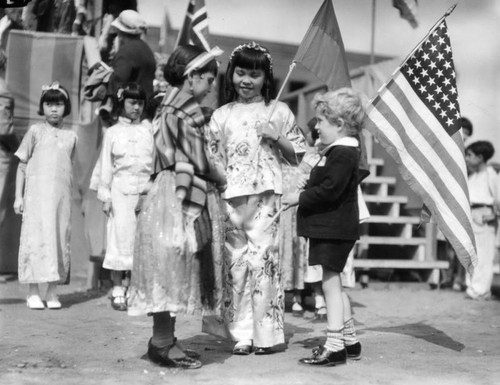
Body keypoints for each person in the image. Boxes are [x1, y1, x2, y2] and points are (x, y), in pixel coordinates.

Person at [126, 44, 223, 369]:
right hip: (176, 192)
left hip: (164, 189)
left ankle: (164, 339)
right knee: (172, 262)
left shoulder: (167, 102)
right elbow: (199, 161)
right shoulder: (184, 110)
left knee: (168, 266)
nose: (211, 87)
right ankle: (162, 343)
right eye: (208, 79)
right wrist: (221, 177)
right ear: (191, 76)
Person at [207, 41, 306, 355]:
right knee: (236, 265)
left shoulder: (279, 110)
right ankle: (241, 334)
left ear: (267, 79)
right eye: (240, 73)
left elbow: (297, 155)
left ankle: (266, 336)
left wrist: (276, 135)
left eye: (254, 74)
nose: (246, 81)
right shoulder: (221, 115)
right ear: (231, 75)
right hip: (232, 197)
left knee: (263, 263)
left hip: (265, 196)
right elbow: (212, 157)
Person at [283, 88, 365, 366]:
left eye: (321, 121)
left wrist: (299, 197)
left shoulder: (343, 152)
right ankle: (350, 340)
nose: (316, 126)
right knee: (334, 283)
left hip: (334, 227)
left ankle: (334, 344)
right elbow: (327, 182)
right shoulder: (336, 151)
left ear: (339, 125)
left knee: (329, 283)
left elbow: (331, 190)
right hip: (331, 227)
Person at [13, 82, 77, 310]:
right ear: (42, 107)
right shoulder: (35, 132)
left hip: (60, 200)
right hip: (36, 198)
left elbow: (68, 169)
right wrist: (18, 197)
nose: (53, 109)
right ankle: (32, 291)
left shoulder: (71, 137)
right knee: (36, 238)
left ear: (65, 107)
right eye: (49, 104)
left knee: (58, 239)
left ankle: (52, 291)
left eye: (58, 104)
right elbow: (22, 165)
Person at [90, 83, 153, 311]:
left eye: (140, 103)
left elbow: (154, 162)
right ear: (122, 103)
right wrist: (106, 196)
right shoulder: (113, 133)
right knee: (119, 237)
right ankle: (117, 288)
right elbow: (106, 166)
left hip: (144, 192)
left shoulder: (149, 130)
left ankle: (136, 288)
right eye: (131, 102)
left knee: (141, 240)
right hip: (120, 191)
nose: (136, 107)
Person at [464, 140, 498, 300]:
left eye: (470, 155)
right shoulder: (473, 176)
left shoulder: (491, 175)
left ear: (480, 157)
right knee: (471, 253)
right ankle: (472, 287)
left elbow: (498, 199)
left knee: (484, 255)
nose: (467, 158)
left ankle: (482, 290)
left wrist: (492, 216)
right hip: (472, 215)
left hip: (484, 217)